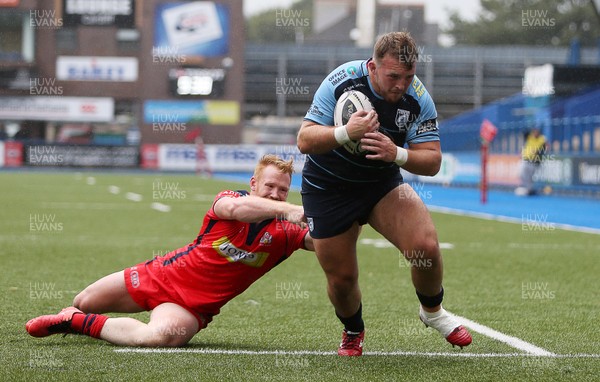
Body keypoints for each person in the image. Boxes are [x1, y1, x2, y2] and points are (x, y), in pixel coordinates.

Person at [297, 31, 472, 356]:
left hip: (380, 186)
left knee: (426, 246)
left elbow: (433, 161)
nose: (401, 84)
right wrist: (345, 132)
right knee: (342, 280)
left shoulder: (417, 98)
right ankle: (353, 329)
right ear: (373, 67)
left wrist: (398, 154)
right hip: (328, 188)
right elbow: (305, 140)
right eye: (393, 76)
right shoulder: (341, 82)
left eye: (408, 76)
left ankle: (432, 313)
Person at [26, 155, 313, 347]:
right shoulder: (231, 200)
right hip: (161, 275)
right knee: (84, 299)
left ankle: (75, 322)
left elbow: (323, 240)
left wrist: (350, 213)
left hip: (191, 307)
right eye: (270, 186)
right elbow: (237, 209)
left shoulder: (286, 234)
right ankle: (78, 313)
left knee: (160, 338)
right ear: (253, 184)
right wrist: (289, 210)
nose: (276, 194)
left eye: (283, 191)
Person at [515, 127, 547, 196]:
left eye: (537, 132)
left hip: (533, 161)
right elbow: (523, 134)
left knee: (529, 177)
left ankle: (529, 190)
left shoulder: (542, 139)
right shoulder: (530, 137)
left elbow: (545, 147)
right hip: (525, 159)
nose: (535, 133)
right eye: (534, 132)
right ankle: (528, 188)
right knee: (521, 173)